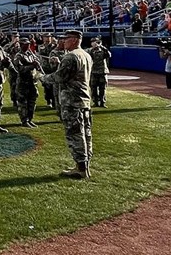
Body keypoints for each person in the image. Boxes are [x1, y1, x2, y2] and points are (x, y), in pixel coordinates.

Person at [44, 29, 93, 179]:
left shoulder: (71, 56)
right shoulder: (85, 55)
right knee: (86, 134)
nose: (63, 41)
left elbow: (59, 77)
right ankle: (84, 166)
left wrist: (42, 77)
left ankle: (81, 168)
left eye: (66, 38)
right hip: (83, 100)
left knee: (75, 135)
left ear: (74, 40)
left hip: (72, 101)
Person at [11, 37, 41, 128]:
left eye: (28, 44)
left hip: (32, 81)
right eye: (25, 44)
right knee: (23, 102)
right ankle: (24, 120)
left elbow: (37, 62)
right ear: (21, 45)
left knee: (32, 101)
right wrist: (31, 66)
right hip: (23, 82)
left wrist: (36, 64)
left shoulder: (30, 53)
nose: (28, 45)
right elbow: (19, 69)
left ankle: (30, 119)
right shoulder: (18, 56)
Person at [87, 36, 111, 108]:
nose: (94, 44)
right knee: (93, 88)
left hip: (102, 72)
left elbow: (109, 55)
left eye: (96, 42)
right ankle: (95, 102)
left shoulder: (103, 50)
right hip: (93, 72)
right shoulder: (90, 51)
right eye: (93, 42)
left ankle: (102, 102)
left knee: (102, 88)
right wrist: (93, 48)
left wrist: (101, 46)